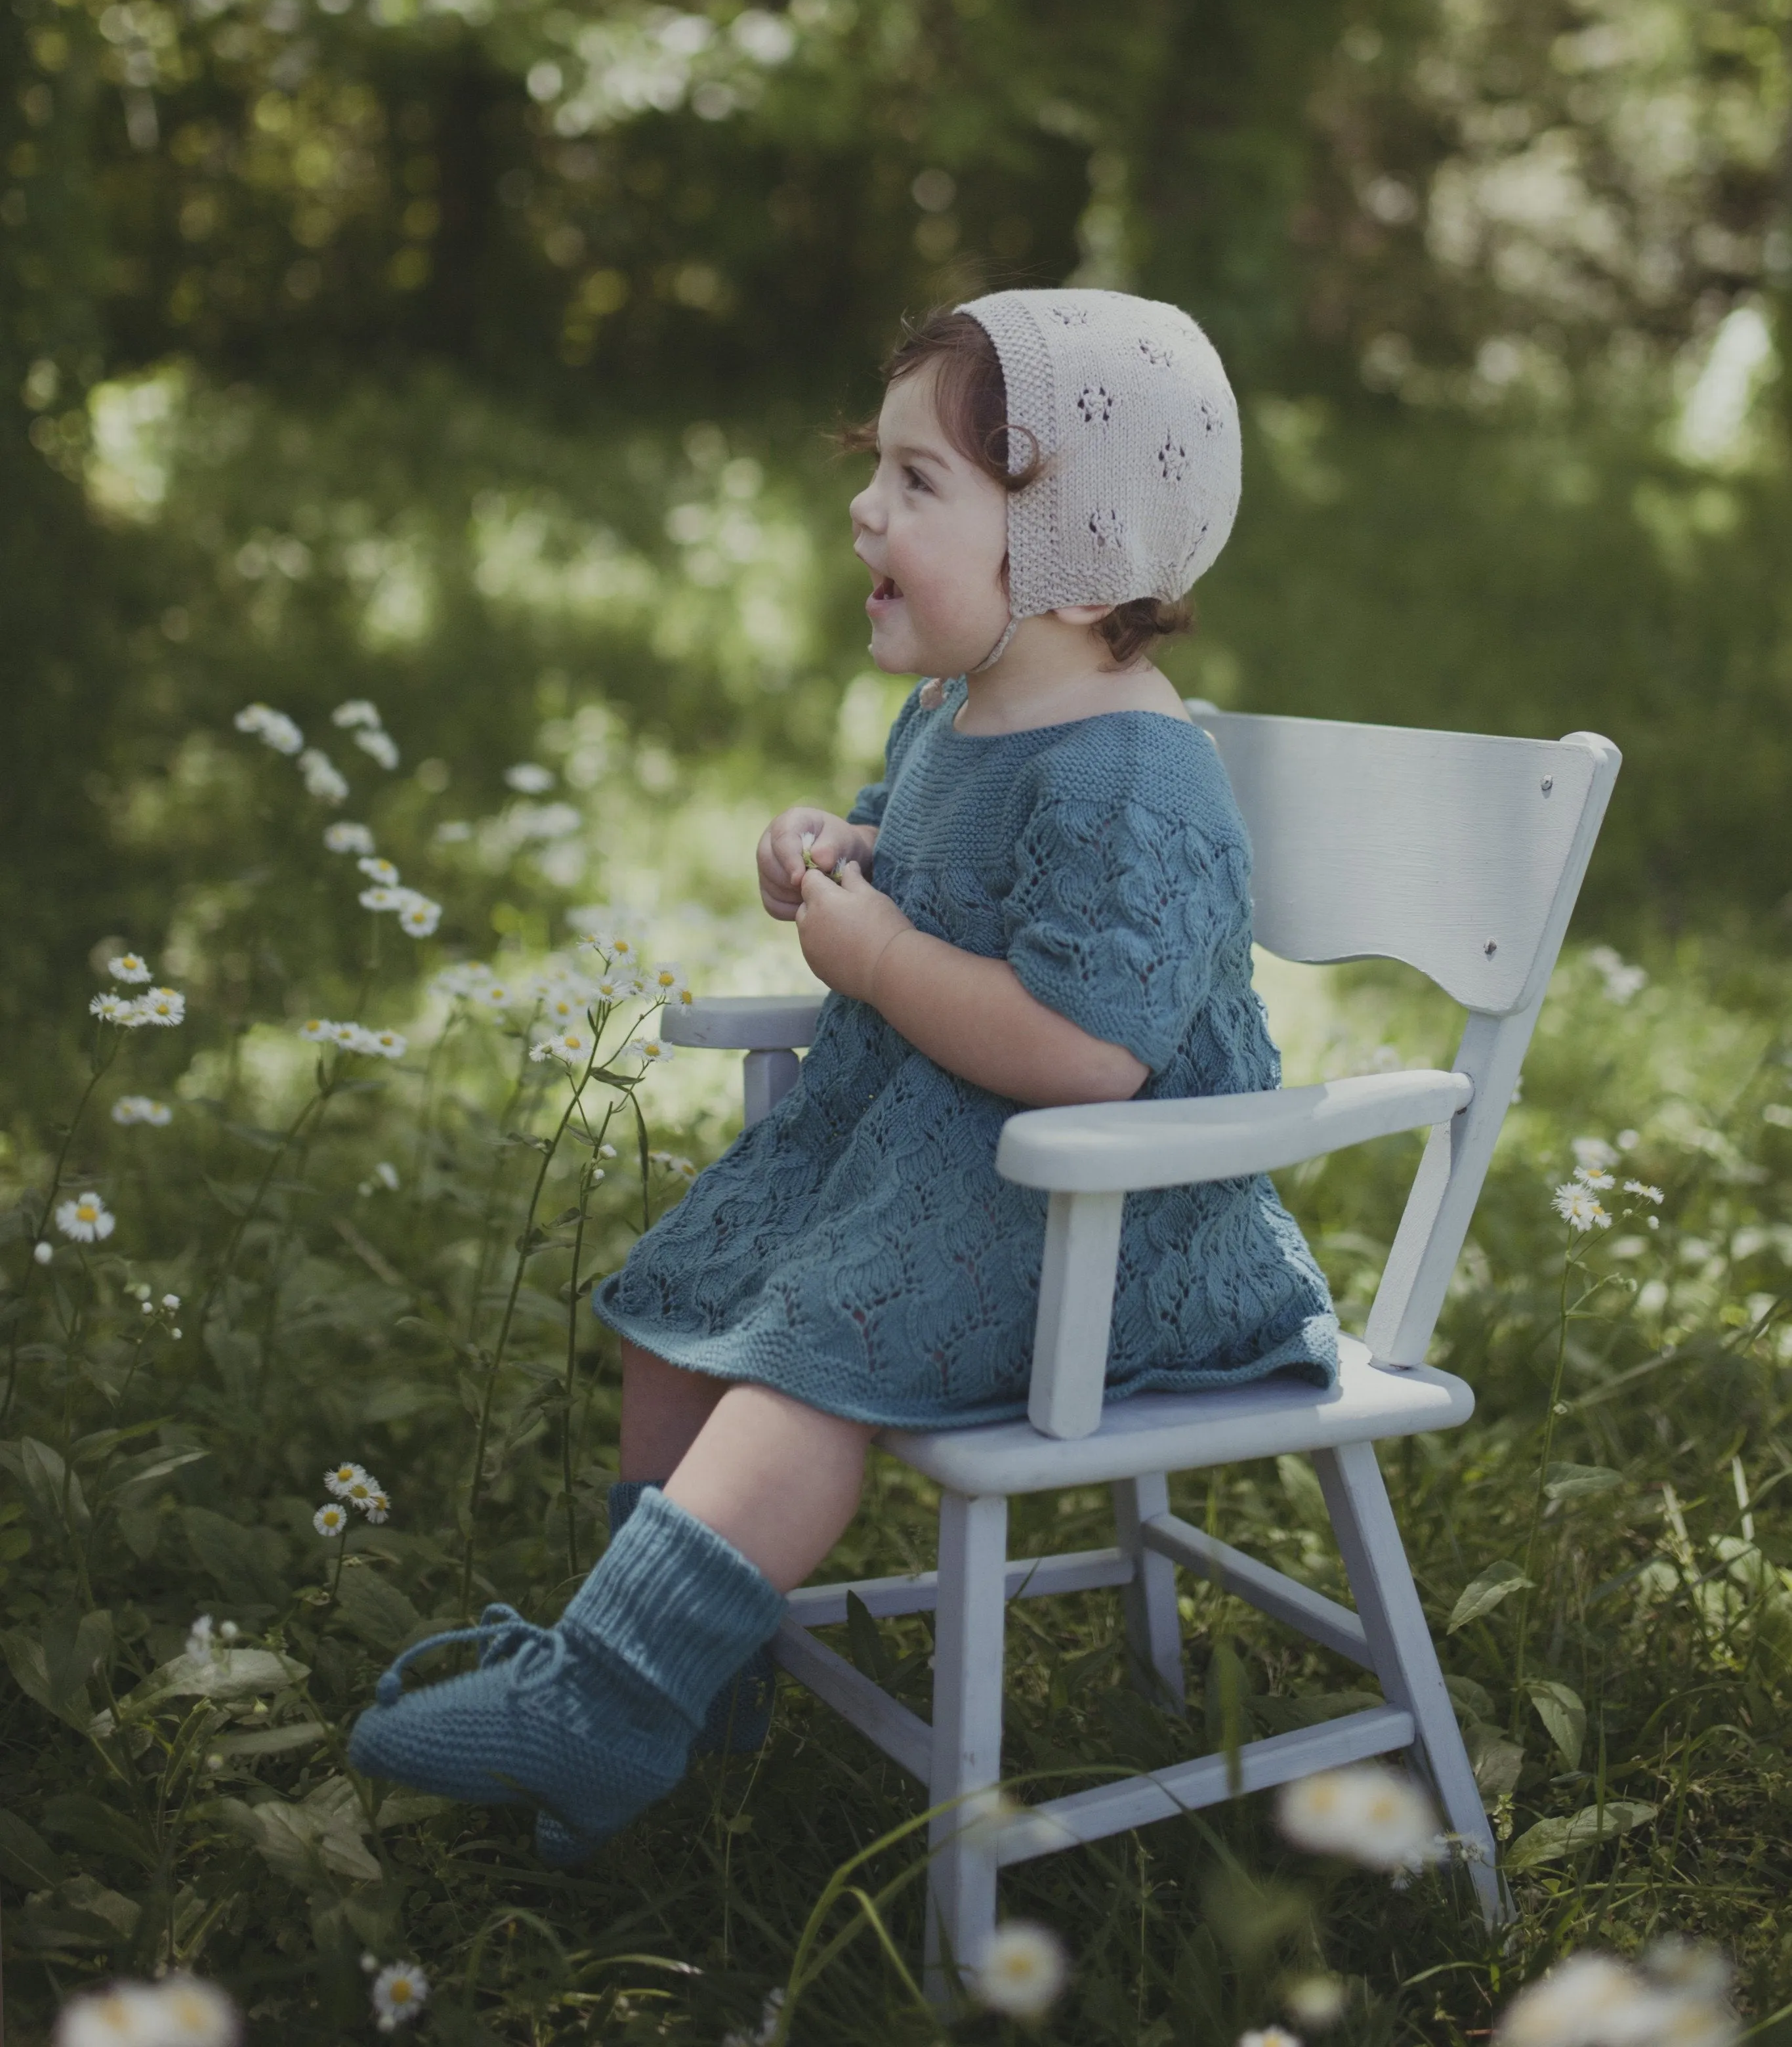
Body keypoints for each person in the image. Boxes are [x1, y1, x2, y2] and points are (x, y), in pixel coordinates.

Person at [349, 287, 1338, 1860]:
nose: (862, 508)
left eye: (917, 481)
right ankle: (697, 1680)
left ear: (1076, 551)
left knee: (809, 1348)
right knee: (685, 1302)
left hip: (1123, 1225)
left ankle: (603, 1696)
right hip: (950, 1173)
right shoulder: (959, 709)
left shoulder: (1136, 768)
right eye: (872, 467)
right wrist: (835, 849)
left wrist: (874, 962)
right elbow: (922, 860)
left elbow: (1090, 1051)